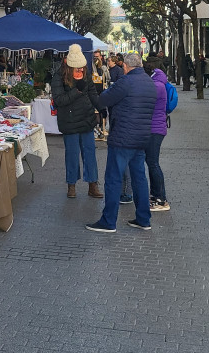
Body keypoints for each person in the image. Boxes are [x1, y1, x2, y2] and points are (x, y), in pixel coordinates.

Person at [85, 53, 156, 233]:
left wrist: (92, 89)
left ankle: (108, 221)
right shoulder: (149, 82)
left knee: (113, 178)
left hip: (123, 137)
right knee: (139, 177)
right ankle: (143, 218)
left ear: (125, 66)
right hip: (141, 137)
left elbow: (103, 100)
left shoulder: (125, 82)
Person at [119, 56, 171, 210]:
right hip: (152, 128)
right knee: (151, 162)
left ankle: (161, 199)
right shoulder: (156, 84)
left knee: (153, 163)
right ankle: (156, 196)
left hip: (154, 129)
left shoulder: (156, 86)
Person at [51, 44, 103, 199]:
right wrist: (77, 90)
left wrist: (101, 107)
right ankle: (71, 185)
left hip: (86, 119)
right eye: (77, 68)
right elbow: (60, 100)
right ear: (69, 66)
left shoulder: (86, 75)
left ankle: (92, 184)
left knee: (90, 154)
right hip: (70, 121)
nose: (80, 70)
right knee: (72, 155)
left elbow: (93, 94)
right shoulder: (58, 77)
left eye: (82, 68)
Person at [92, 51, 111, 140]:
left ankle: (101, 128)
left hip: (102, 93)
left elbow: (107, 78)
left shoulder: (103, 68)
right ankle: (96, 128)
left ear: (101, 57)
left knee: (102, 111)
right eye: (94, 57)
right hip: (93, 92)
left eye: (97, 57)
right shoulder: (91, 67)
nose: (96, 58)